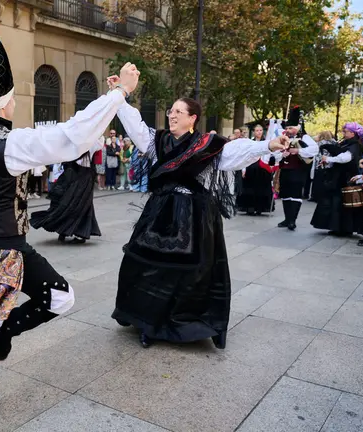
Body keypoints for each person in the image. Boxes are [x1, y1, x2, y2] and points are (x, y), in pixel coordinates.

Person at [0, 29, 138, 419]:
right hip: (6, 249)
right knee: (59, 297)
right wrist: (120, 93)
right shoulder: (9, 144)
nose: (16, 102)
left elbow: (70, 136)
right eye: (13, 97)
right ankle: (3, 333)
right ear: (2, 103)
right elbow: (72, 135)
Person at [111, 85, 290, 350]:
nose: (172, 115)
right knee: (144, 264)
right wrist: (119, 94)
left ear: (192, 118)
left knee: (189, 272)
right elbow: (134, 125)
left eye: (178, 111)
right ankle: (147, 323)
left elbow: (235, 152)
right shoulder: (157, 140)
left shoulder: (208, 145)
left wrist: (267, 144)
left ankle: (180, 323)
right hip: (159, 212)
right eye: (171, 111)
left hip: (194, 215)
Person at [30, 137, 102, 243]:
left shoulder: (90, 145)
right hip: (70, 177)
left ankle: (78, 234)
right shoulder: (71, 146)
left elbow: (99, 141)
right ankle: (63, 229)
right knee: (63, 202)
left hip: (83, 179)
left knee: (80, 204)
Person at [311, 122, 363, 236]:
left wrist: (329, 159)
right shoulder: (346, 143)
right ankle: (337, 227)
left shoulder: (355, 145)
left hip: (346, 178)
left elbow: (346, 158)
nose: (343, 133)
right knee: (336, 202)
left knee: (344, 203)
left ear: (353, 133)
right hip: (339, 177)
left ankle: (345, 229)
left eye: (345, 131)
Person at [270, 112, 319, 230]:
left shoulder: (305, 137)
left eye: (291, 128)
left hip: (298, 171)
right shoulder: (282, 138)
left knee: (295, 194)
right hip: (284, 170)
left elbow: (314, 150)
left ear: (297, 128)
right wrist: (282, 154)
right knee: (285, 194)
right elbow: (274, 153)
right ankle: (287, 219)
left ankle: (293, 220)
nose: (288, 130)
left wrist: (298, 151)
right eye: (287, 128)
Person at [237, 124, 277, 216]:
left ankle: (260, 208)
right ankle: (250, 208)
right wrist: (243, 169)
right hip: (251, 167)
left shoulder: (267, 142)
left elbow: (272, 155)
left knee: (262, 188)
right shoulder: (250, 142)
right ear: (254, 132)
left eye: (260, 130)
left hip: (263, 168)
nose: (259, 132)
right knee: (250, 188)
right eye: (257, 130)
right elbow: (245, 156)